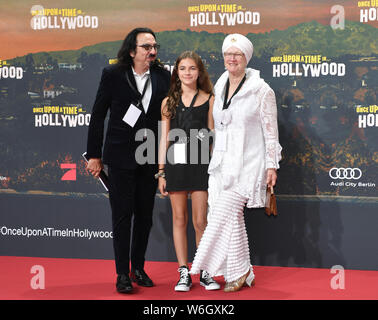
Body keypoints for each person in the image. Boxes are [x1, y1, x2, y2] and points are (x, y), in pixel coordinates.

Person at [189, 34, 282, 292]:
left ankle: (200, 266)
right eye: (228, 54)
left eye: (237, 54)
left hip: (248, 164)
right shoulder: (219, 86)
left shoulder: (262, 90)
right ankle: (241, 273)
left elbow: (271, 132)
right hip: (221, 164)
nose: (232, 59)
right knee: (232, 219)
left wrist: (271, 165)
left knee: (222, 216)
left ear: (246, 58)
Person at [86, 27, 170, 294]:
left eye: (155, 47)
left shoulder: (163, 76)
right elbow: (98, 115)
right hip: (120, 156)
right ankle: (122, 273)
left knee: (144, 217)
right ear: (132, 51)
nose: (152, 52)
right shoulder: (113, 75)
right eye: (146, 47)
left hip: (149, 157)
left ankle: (138, 268)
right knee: (122, 217)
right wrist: (94, 155)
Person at [157, 51, 220, 291]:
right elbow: (164, 140)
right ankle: (184, 272)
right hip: (175, 166)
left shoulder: (210, 99)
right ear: (177, 73)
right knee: (179, 219)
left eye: (192, 68)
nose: (187, 73)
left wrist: (216, 167)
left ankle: (204, 270)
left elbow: (213, 137)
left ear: (199, 72)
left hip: (202, 166)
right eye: (182, 68)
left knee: (200, 221)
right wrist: (161, 172)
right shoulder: (168, 102)